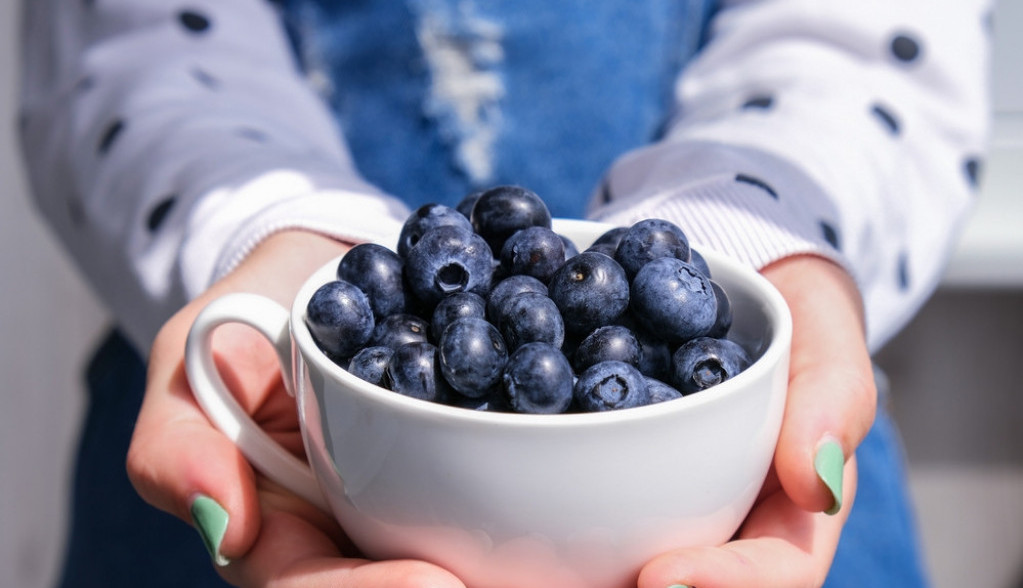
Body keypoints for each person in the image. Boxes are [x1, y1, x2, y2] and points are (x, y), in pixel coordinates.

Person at [18, 0, 992, 586]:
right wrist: (266, 235)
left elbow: (863, 40)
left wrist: (752, 227)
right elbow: (130, 46)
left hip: (748, 493)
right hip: (282, 445)